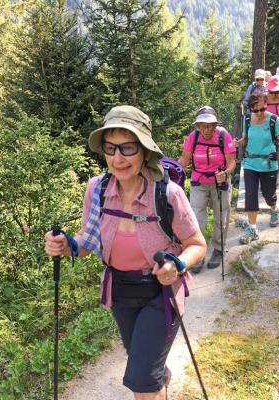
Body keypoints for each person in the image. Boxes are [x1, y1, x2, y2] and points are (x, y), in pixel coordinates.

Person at [44, 105, 207, 400]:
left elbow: (197, 244)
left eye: (127, 148)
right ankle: (157, 376)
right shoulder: (97, 189)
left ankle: (153, 378)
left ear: (144, 150)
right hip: (120, 292)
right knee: (144, 363)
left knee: (141, 380)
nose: (118, 158)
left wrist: (177, 264)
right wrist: (66, 245)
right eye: (110, 148)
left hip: (162, 294)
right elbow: (86, 242)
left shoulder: (168, 194)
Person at [178, 106, 236, 273]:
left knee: (221, 216)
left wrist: (225, 173)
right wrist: (170, 171)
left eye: (210, 125)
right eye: (202, 126)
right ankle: (198, 252)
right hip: (198, 181)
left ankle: (218, 249)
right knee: (196, 218)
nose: (206, 129)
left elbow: (232, 162)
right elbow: (184, 160)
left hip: (220, 182)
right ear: (197, 126)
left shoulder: (223, 136)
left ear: (215, 125)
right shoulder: (193, 137)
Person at [234, 94, 279, 243]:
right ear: (251, 109)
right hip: (250, 163)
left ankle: (273, 208)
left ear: (266, 105)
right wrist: (238, 143)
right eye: (255, 110)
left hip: (269, 164)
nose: (259, 113)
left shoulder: (274, 120)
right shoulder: (247, 119)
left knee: (268, 194)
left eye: (262, 109)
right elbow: (244, 138)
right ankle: (252, 229)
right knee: (250, 195)